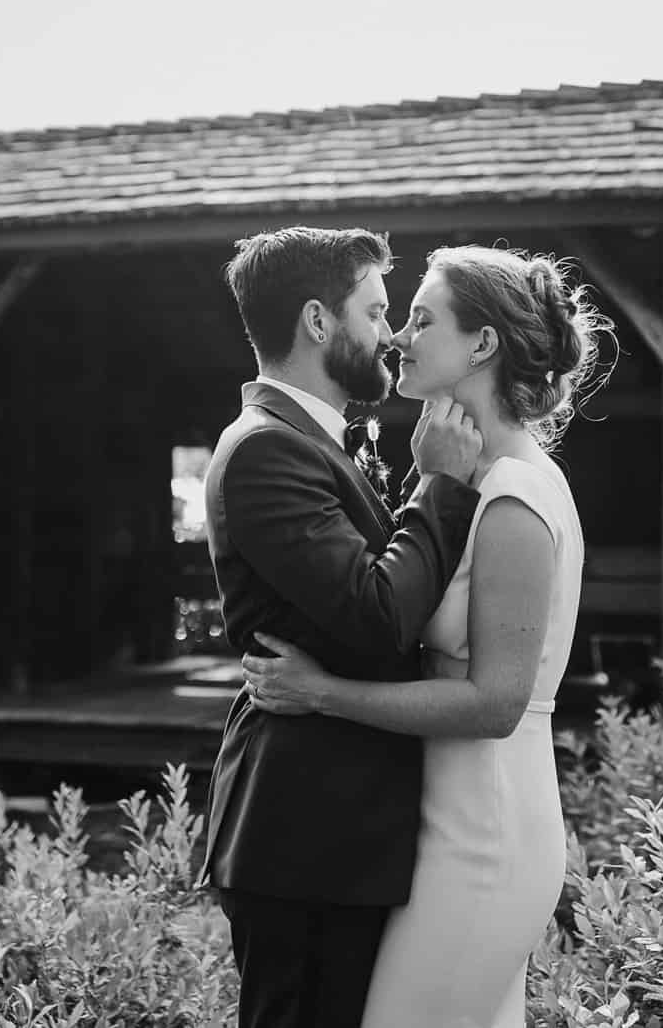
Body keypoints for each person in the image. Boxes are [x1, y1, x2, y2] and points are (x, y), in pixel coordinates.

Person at [244, 244, 611, 1028]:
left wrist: (324, 694)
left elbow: (496, 703)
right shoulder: (476, 485)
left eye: (418, 318)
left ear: (481, 344)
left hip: (486, 829)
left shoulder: (514, 492)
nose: (398, 338)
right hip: (443, 822)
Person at [203, 225, 487, 1028]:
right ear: (318, 322)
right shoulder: (264, 451)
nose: (394, 332)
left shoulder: (310, 441)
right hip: (305, 834)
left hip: (340, 834)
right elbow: (378, 616)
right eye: (376, 309)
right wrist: (437, 483)